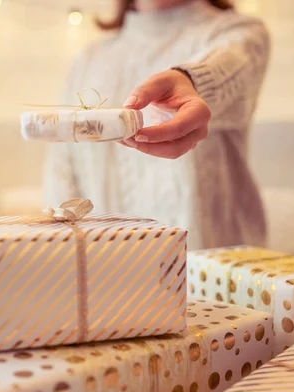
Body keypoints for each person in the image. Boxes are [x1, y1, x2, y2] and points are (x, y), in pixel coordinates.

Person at [44, 0, 270, 249]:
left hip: (215, 275)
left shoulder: (239, 34)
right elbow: (61, 170)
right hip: (110, 274)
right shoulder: (88, 61)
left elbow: (226, 68)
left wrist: (192, 81)